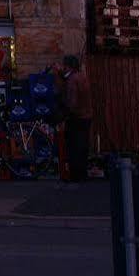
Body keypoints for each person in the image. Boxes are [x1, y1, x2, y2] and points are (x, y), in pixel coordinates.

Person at [58, 53, 94, 183]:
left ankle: (75, 175)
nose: (64, 68)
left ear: (70, 67)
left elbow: (72, 102)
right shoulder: (83, 77)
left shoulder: (72, 80)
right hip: (87, 116)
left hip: (77, 117)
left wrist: (65, 114)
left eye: (65, 66)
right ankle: (82, 173)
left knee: (74, 147)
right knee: (83, 146)